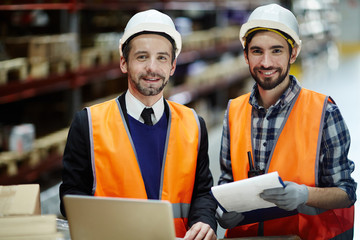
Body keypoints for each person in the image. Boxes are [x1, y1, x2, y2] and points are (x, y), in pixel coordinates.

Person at [59, 9, 217, 240]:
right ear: (124, 62)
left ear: (173, 66)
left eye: (162, 57)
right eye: (142, 57)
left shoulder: (193, 124)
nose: (152, 68)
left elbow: (202, 192)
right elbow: (71, 197)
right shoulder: (89, 124)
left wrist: (204, 221)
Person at [216, 3, 356, 239]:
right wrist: (221, 209)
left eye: (277, 51)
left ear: (293, 53)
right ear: (246, 55)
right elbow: (226, 180)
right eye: (257, 51)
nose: (266, 62)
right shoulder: (234, 111)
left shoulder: (324, 112)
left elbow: (346, 191)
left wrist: (305, 195)